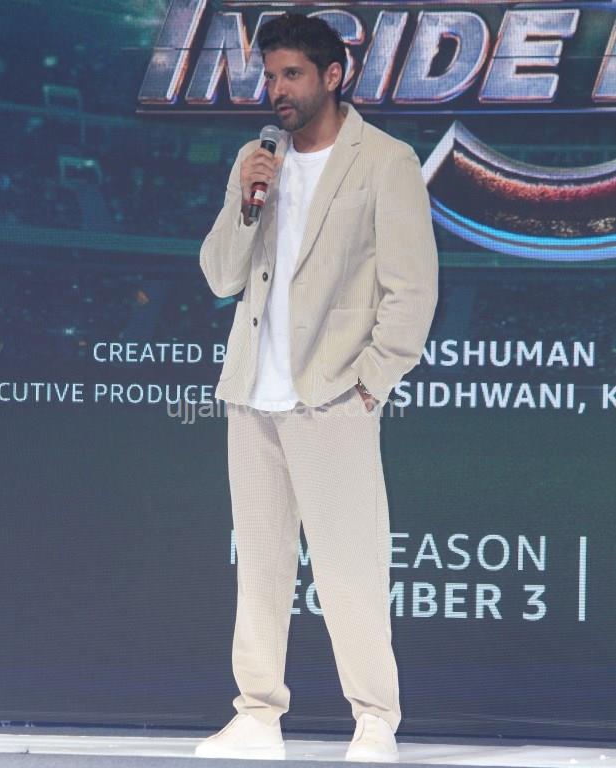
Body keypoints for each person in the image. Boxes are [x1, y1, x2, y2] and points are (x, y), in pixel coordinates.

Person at [196, 12, 438, 762]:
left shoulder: (385, 161)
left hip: (332, 397)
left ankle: (374, 719)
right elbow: (220, 276)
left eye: (292, 74)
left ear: (333, 76)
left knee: (349, 570)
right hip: (252, 395)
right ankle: (257, 715)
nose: (278, 89)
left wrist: (369, 384)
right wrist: (246, 203)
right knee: (260, 567)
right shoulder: (256, 160)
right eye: (271, 76)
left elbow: (411, 291)